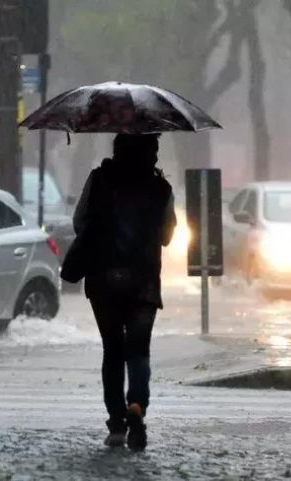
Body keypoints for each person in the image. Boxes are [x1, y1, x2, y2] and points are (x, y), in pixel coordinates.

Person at [73, 133, 176, 451]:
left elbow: (80, 223)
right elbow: (167, 236)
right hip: (144, 282)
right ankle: (137, 406)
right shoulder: (161, 188)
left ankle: (117, 422)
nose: (157, 155)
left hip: (104, 280)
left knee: (113, 350)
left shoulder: (99, 180)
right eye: (154, 148)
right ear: (147, 152)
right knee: (139, 350)